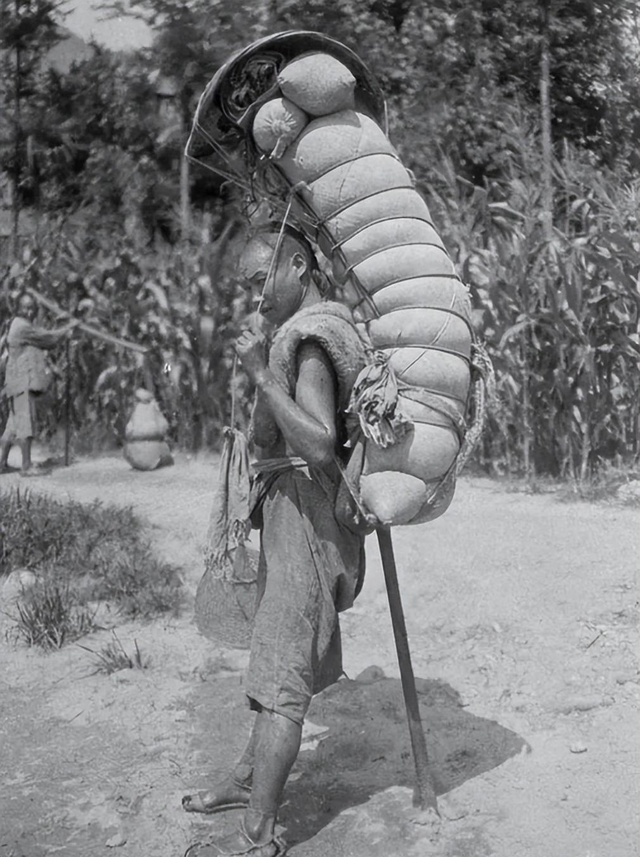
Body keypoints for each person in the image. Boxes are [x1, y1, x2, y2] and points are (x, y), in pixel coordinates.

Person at [183, 228, 371, 857]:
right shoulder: (300, 332)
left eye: (259, 281)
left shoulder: (312, 341)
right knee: (274, 656)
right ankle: (246, 778)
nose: (253, 297)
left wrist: (261, 374)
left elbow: (317, 444)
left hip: (308, 520)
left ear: (297, 266)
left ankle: (259, 831)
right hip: (292, 516)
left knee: (284, 677)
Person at [0, 292, 77, 475]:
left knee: (12, 427)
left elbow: (45, 337)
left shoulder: (22, 325)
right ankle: (26, 466)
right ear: (18, 309)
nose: (29, 312)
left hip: (18, 382)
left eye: (31, 308)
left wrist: (63, 324)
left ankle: (1, 463)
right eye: (25, 308)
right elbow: (48, 339)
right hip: (21, 382)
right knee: (25, 424)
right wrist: (68, 327)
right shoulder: (21, 326)